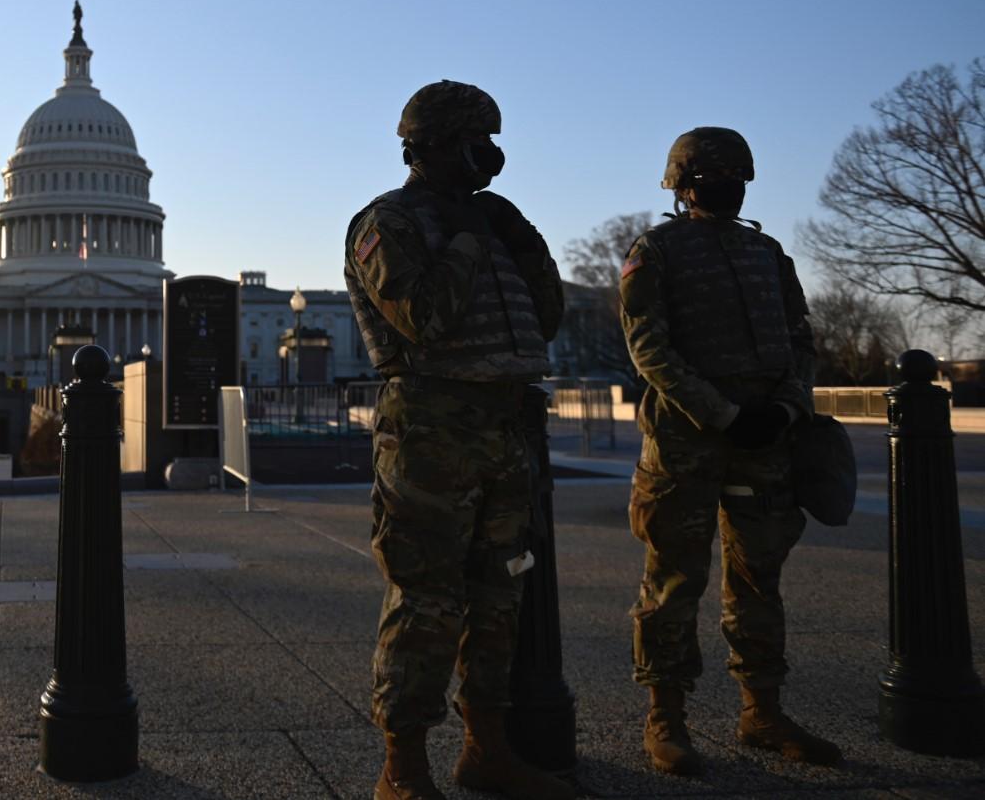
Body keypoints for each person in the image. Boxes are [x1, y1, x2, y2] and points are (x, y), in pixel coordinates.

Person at [344, 80, 571, 800]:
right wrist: (471, 238)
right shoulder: (388, 221)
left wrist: (518, 238)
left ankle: (486, 749)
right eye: (479, 139)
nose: (491, 155)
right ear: (435, 144)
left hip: (503, 425)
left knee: (500, 592)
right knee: (425, 599)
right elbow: (422, 317)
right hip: (431, 428)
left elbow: (547, 315)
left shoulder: (491, 220)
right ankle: (402, 767)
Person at [620, 127, 842, 776]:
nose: (725, 185)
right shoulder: (653, 251)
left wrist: (786, 406)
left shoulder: (768, 254)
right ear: (683, 184)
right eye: (711, 175)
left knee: (758, 580)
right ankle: (666, 718)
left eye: (734, 174)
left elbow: (800, 340)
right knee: (672, 581)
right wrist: (722, 413)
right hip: (685, 443)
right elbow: (649, 348)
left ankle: (762, 711)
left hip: (765, 441)